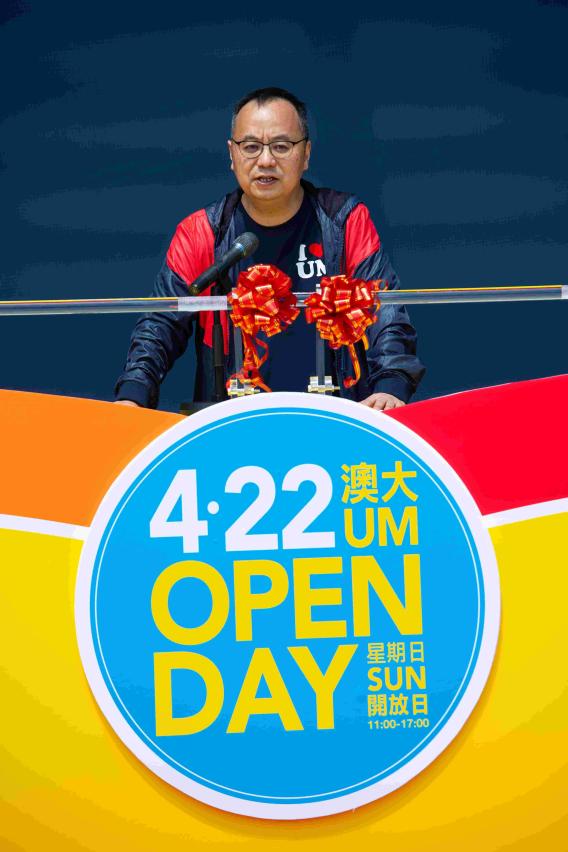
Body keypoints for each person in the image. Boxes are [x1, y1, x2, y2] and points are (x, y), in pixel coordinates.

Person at [115, 87, 424, 410]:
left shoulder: (344, 222)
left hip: (335, 417)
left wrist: (392, 384)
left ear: (306, 154)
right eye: (251, 147)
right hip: (235, 421)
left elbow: (385, 311)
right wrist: (133, 395)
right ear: (231, 154)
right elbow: (160, 326)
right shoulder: (202, 232)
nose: (265, 161)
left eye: (281, 146)